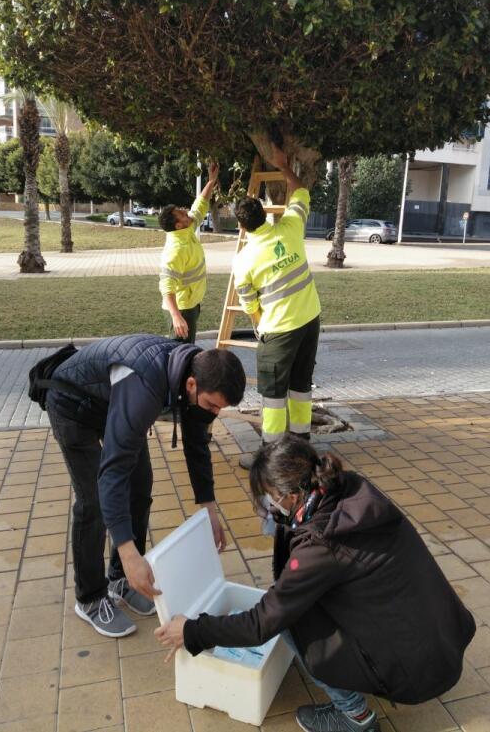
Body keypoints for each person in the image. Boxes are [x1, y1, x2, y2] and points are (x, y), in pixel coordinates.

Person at [155, 435, 476, 732]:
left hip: (416, 671)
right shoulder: (346, 488)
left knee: (287, 617)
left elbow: (262, 623)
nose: (264, 508)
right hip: (439, 642)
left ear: (291, 495)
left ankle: (355, 717)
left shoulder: (321, 545)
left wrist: (191, 631)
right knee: (291, 599)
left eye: (267, 499)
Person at [45, 334, 246, 638]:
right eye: (212, 405)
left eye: (220, 409)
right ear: (192, 385)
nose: (214, 413)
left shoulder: (195, 373)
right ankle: (90, 598)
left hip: (110, 403)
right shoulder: (145, 387)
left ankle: (119, 580)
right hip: (72, 406)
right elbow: (112, 472)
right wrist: (129, 553)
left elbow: (198, 445)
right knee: (95, 501)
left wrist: (210, 510)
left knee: (140, 487)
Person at [233, 146, 320, 465]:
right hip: (309, 320)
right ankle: (302, 448)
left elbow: (249, 305)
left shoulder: (244, 261)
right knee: (300, 387)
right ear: (265, 212)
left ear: (242, 226)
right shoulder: (292, 226)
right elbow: (300, 192)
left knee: (272, 396)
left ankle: (271, 457)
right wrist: (285, 167)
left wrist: (260, 328)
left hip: (279, 332)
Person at [159, 162, 219, 343]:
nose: (186, 212)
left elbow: (199, 206)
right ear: (178, 225)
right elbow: (166, 287)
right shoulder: (175, 250)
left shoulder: (187, 230)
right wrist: (177, 317)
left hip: (191, 304)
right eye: (181, 214)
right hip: (182, 309)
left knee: (186, 353)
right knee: (180, 357)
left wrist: (211, 181)